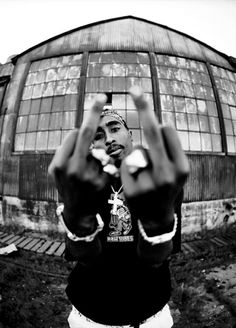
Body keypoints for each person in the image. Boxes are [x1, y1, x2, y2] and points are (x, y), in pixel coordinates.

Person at [48, 86, 189, 328]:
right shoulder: (86, 186)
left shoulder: (157, 184)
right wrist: (80, 225)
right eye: (99, 135)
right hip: (90, 317)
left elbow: (160, 258)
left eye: (115, 129)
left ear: (131, 134)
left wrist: (157, 228)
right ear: (93, 146)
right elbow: (83, 258)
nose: (109, 138)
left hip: (151, 316)